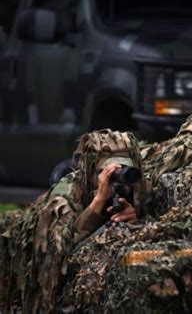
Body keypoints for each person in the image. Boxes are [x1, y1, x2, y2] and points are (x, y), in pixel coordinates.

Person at [0, 129, 145, 313]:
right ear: (93, 170)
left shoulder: (137, 188)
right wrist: (98, 201)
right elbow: (58, 252)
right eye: (108, 172)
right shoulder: (66, 193)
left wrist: (134, 223)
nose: (117, 179)